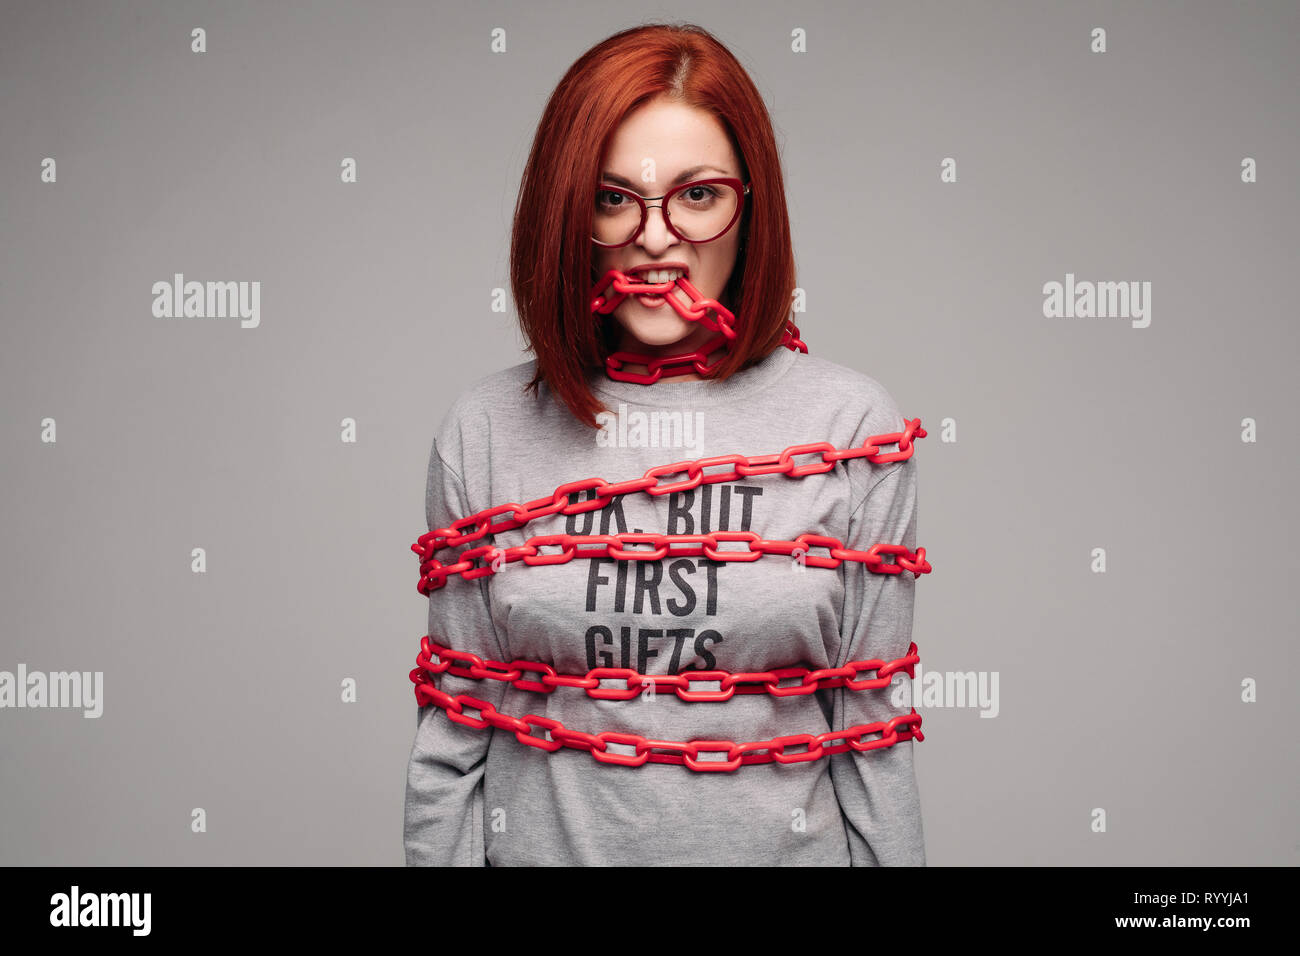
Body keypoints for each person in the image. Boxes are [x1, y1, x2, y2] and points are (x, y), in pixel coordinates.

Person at [404, 22, 928, 866]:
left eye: (698, 194)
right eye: (613, 198)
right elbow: (453, 739)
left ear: (749, 209)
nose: (654, 236)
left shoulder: (851, 431)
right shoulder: (487, 432)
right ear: (566, 215)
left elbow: (873, 736)